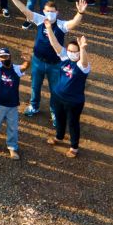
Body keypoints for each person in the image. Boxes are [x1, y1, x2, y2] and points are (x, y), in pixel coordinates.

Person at [5, 0, 86, 124]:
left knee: (55, 90)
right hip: (38, 61)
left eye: (52, 11)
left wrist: (80, 13)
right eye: (47, 11)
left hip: (55, 64)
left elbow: (74, 23)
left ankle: (54, 112)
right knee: (35, 86)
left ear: (57, 12)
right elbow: (24, 10)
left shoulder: (61, 25)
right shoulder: (40, 19)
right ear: (43, 11)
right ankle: (34, 106)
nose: (50, 13)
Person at [45, 26, 91, 157]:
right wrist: (49, 28)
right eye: (69, 50)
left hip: (74, 102)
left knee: (73, 123)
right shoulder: (65, 58)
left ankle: (74, 147)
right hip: (58, 97)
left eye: (74, 51)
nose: (71, 53)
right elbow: (54, 44)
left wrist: (82, 48)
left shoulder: (83, 66)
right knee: (59, 118)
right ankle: (59, 137)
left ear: (79, 52)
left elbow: (84, 62)